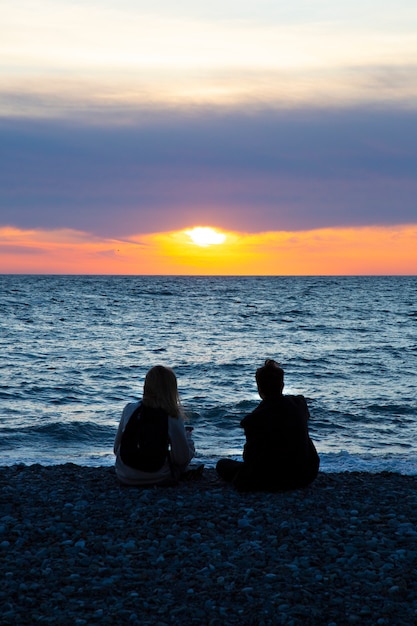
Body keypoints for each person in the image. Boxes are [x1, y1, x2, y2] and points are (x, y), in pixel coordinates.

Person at [216, 359, 320, 492]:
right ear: (282, 385)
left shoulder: (254, 419)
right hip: (306, 474)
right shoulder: (299, 404)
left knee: (222, 465)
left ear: (259, 389)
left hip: (271, 479)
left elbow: (249, 457)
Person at [114, 365, 195, 486]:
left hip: (124, 475)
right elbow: (181, 459)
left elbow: (116, 450)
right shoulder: (172, 416)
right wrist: (188, 440)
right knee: (185, 453)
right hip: (157, 477)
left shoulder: (129, 409)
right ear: (171, 390)